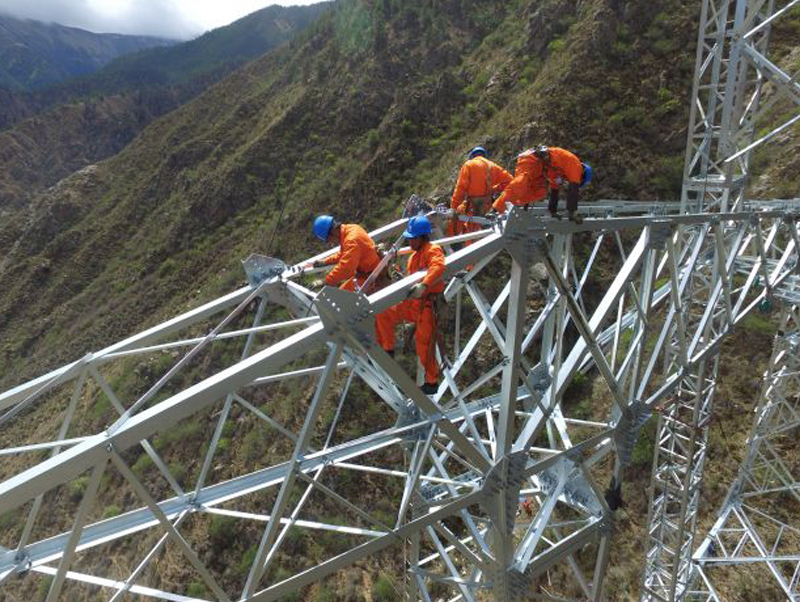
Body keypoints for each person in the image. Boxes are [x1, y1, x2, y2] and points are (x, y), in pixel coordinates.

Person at [376, 216, 445, 395]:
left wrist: (424, 284)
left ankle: (432, 382)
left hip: (428, 307)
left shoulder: (432, 249)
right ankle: (388, 349)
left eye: (413, 238)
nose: (410, 241)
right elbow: (410, 277)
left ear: (423, 237)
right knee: (383, 312)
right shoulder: (413, 257)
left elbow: (438, 266)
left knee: (424, 345)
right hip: (414, 304)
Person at [450, 146, 512, 238]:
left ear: (472, 156)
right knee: (489, 231)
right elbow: (510, 181)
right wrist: (494, 189)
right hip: (488, 206)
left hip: (473, 206)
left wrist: (454, 207)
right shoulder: (493, 166)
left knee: (471, 234)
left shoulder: (469, 165)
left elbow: (460, 188)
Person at [308, 215, 382, 291]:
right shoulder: (351, 228)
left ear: (332, 232)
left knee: (342, 300)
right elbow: (344, 254)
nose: (330, 243)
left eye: (328, 239)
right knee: (341, 295)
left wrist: (325, 281)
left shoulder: (351, 240)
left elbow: (346, 268)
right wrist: (325, 261)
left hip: (375, 277)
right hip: (369, 273)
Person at [535, 145, 590, 223]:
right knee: (573, 188)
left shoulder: (567, 165)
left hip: (555, 167)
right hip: (557, 165)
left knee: (555, 187)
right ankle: (571, 213)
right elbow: (573, 191)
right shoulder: (575, 168)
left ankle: (553, 210)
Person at [491, 148, 549, 213]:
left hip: (539, 169)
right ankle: (497, 208)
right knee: (520, 184)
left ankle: (510, 205)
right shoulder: (527, 167)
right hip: (531, 161)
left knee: (540, 192)